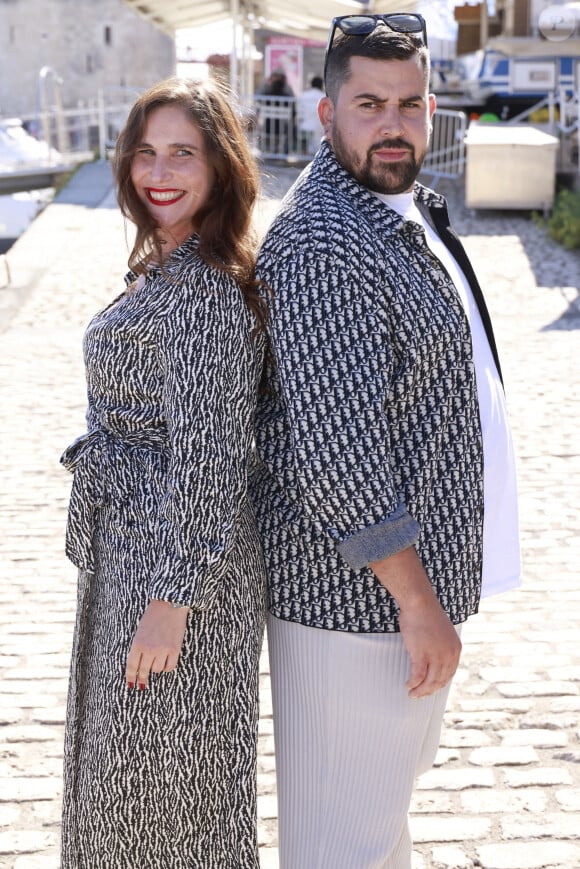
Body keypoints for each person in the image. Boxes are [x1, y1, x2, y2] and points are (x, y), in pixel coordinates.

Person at [250, 13, 521, 868]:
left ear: (432, 107)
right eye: (368, 103)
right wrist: (416, 599)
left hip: (396, 599)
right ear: (326, 115)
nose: (394, 124)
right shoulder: (325, 241)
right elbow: (337, 458)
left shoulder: (395, 210)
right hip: (356, 606)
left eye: (409, 104)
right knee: (342, 849)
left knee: (372, 840)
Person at [60, 76, 266, 868]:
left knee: (161, 793)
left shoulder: (206, 293)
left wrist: (171, 603)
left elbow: (215, 462)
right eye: (146, 152)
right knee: (129, 783)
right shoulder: (164, 262)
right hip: (133, 554)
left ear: (220, 167)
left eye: (184, 152)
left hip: (177, 575)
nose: (160, 171)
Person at [297, 75, 325, 155]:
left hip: (304, 126)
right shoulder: (323, 96)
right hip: (320, 128)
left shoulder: (304, 95)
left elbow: (300, 114)